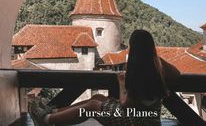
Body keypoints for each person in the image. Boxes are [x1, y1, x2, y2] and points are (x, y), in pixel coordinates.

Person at [30, 30, 180, 125]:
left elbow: (125, 104)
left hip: (133, 120)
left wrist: (121, 82)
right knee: (99, 98)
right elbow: (177, 74)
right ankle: (54, 112)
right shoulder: (156, 72)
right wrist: (152, 55)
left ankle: (45, 120)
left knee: (92, 106)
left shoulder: (136, 75)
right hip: (148, 119)